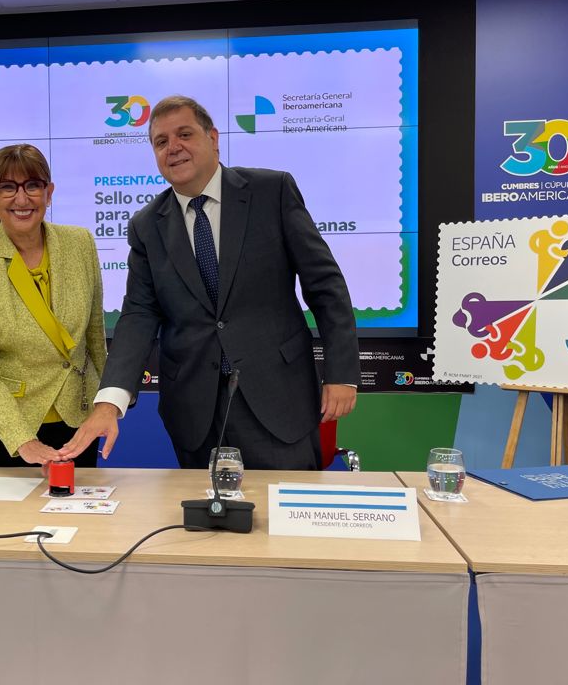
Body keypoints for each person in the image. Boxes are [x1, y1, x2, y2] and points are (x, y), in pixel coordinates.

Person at [60, 96, 360, 470]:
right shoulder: (146, 225)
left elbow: (325, 285)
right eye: (161, 141)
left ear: (214, 138)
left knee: (283, 522)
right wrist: (110, 402)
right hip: (195, 414)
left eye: (184, 134)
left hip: (278, 400)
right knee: (209, 526)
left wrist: (343, 373)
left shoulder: (272, 191)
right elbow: (138, 315)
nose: (174, 147)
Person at [0, 144, 107, 467]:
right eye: (8, 187)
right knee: (0, 519)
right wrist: (22, 439)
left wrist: (105, 405)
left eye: (32, 186)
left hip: (76, 423)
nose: (21, 199)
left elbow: (95, 336)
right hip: (1, 430)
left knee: (77, 517)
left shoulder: (80, 243)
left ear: (48, 193)